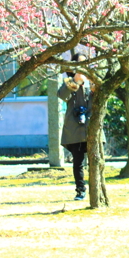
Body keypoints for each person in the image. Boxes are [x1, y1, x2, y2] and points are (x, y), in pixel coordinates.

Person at [58, 70, 90, 201]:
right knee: (78, 163)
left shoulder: (93, 81)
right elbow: (62, 96)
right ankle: (80, 190)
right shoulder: (69, 83)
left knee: (96, 161)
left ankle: (96, 187)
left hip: (91, 128)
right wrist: (75, 82)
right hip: (75, 130)